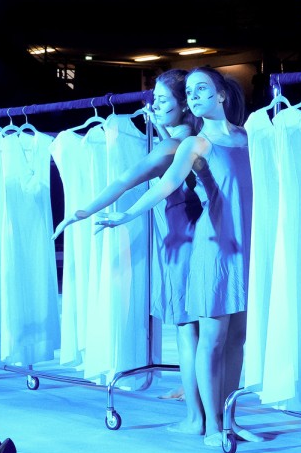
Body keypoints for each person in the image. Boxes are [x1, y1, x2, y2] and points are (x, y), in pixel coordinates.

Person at [95, 68, 253, 448]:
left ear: (221, 95)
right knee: (211, 338)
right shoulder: (195, 144)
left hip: (245, 245)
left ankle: (228, 420)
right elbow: (164, 186)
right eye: (191, 91)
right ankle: (210, 425)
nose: (195, 96)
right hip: (212, 247)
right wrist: (125, 215)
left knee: (237, 338)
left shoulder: (249, 138)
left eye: (202, 89)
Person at [53, 70, 203, 428]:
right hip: (207, 240)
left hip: (183, 243)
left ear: (184, 104)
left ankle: (195, 413)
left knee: (188, 330)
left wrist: (84, 211)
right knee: (206, 331)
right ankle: (197, 397)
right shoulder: (200, 139)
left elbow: (124, 181)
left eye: (162, 100)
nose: (154, 106)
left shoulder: (172, 147)